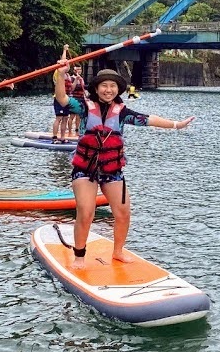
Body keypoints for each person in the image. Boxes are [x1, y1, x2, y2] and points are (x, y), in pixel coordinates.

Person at [53, 64, 195, 269]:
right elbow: (62, 99)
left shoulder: (122, 112)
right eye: (104, 85)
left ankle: (118, 252)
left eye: (112, 86)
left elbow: (148, 119)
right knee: (86, 211)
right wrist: (61, 75)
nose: (108, 89)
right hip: (85, 170)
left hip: (112, 171)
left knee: (123, 213)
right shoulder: (84, 107)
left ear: (118, 89)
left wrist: (176, 125)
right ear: (96, 88)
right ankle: (79, 256)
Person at [51, 44, 74, 143]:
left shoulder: (68, 75)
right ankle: (55, 137)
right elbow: (63, 61)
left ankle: (63, 137)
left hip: (67, 98)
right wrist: (64, 50)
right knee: (59, 118)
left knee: (65, 118)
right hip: (59, 98)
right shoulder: (58, 72)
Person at [68, 64, 87, 136]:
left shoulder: (81, 78)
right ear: (74, 70)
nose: (79, 71)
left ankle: (77, 130)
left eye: (80, 69)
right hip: (74, 98)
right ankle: (69, 131)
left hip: (81, 98)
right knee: (72, 116)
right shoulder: (72, 78)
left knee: (79, 116)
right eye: (77, 70)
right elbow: (72, 88)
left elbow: (83, 87)